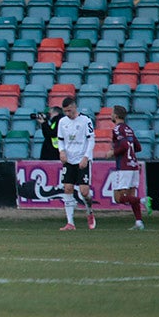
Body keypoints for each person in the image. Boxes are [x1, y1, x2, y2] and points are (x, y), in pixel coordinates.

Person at [57, 96, 95, 231]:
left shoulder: (86, 120)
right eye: (65, 111)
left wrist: (86, 157)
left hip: (82, 159)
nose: (68, 114)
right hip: (69, 160)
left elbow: (91, 140)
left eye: (69, 111)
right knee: (67, 188)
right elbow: (60, 140)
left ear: (74, 107)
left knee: (84, 192)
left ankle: (89, 210)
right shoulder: (62, 122)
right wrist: (61, 151)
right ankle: (70, 222)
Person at [105, 105, 147, 231]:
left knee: (118, 198)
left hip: (123, 167)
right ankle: (139, 222)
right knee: (130, 197)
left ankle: (144, 200)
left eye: (112, 113)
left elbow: (123, 145)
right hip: (134, 166)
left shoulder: (117, 129)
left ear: (116, 116)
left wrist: (113, 152)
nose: (111, 115)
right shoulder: (129, 129)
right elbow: (138, 147)